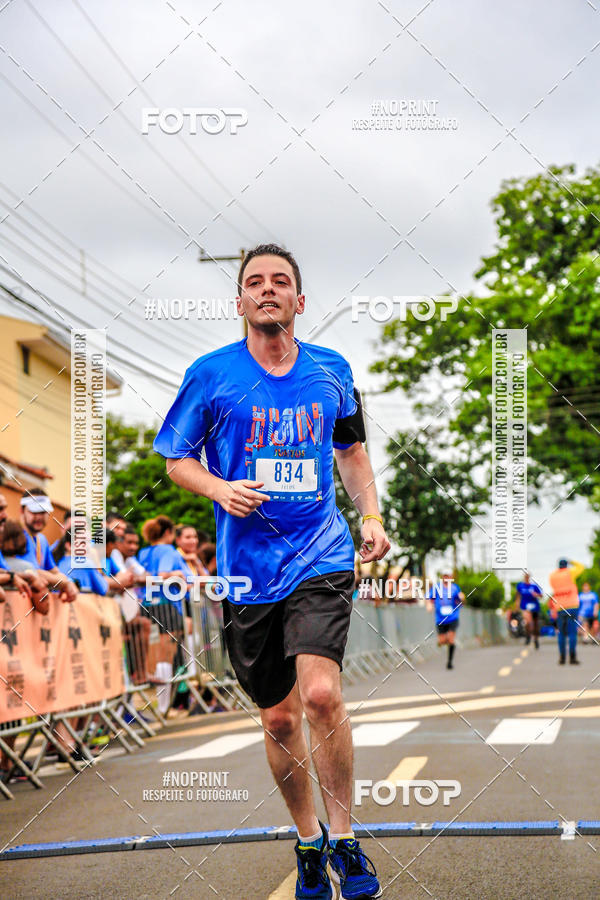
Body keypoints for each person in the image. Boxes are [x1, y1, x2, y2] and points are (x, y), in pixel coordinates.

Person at [154, 243, 390, 900]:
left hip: (319, 551)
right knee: (280, 718)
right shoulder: (210, 375)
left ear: (299, 301)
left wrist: (370, 514)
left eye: (280, 281)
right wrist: (219, 489)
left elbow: (351, 450)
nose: (267, 290)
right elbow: (176, 459)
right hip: (246, 571)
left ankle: (345, 839)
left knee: (320, 696)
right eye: (254, 282)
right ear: (239, 302)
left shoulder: (332, 370)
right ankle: (309, 840)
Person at [138, 516, 190, 714]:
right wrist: (178, 575)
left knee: (156, 657)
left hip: (147, 605)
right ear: (168, 533)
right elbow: (163, 574)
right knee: (165, 656)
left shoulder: (143, 552)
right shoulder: (168, 550)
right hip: (167, 605)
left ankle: (163, 706)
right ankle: (163, 708)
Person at [18, 491, 78, 603]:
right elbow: (32, 572)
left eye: (43, 511)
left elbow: (54, 571)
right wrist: (65, 583)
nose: (39, 517)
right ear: (22, 511)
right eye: (34, 511)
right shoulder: (18, 536)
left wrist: (68, 581)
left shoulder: (42, 540)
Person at [549, 558, 585, 665]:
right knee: (573, 633)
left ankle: (562, 658)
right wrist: (572, 562)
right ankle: (573, 658)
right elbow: (581, 567)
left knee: (562, 634)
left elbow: (552, 587)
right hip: (572, 606)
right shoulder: (570, 573)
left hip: (560, 607)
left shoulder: (552, 576)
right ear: (566, 565)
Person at [427, 573, 465, 669]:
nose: (446, 578)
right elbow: (429, 598)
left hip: (453, 617)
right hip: (440, 618)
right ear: (442, 577)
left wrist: (462, 598)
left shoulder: (455, 588)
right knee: (443, 640)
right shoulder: (437, 587)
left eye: (448, 576)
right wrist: (429, 605)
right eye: (445, 576)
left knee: (451, 639)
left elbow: (460, 600)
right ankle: (442, 641)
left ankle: (449, 662)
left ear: (451, 577)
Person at [514, 572, 543, 649]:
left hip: (535, 606)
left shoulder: (534, 586)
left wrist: (536, 595)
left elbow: (541, 595)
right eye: (525, 577)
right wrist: (516, 606)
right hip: (525, 607)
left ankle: (536, 640)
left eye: (528, 577)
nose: (526, 578)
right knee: (528, 622)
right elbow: (518, 596)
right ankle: (528, 635)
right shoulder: (520, 586)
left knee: (536, 625)